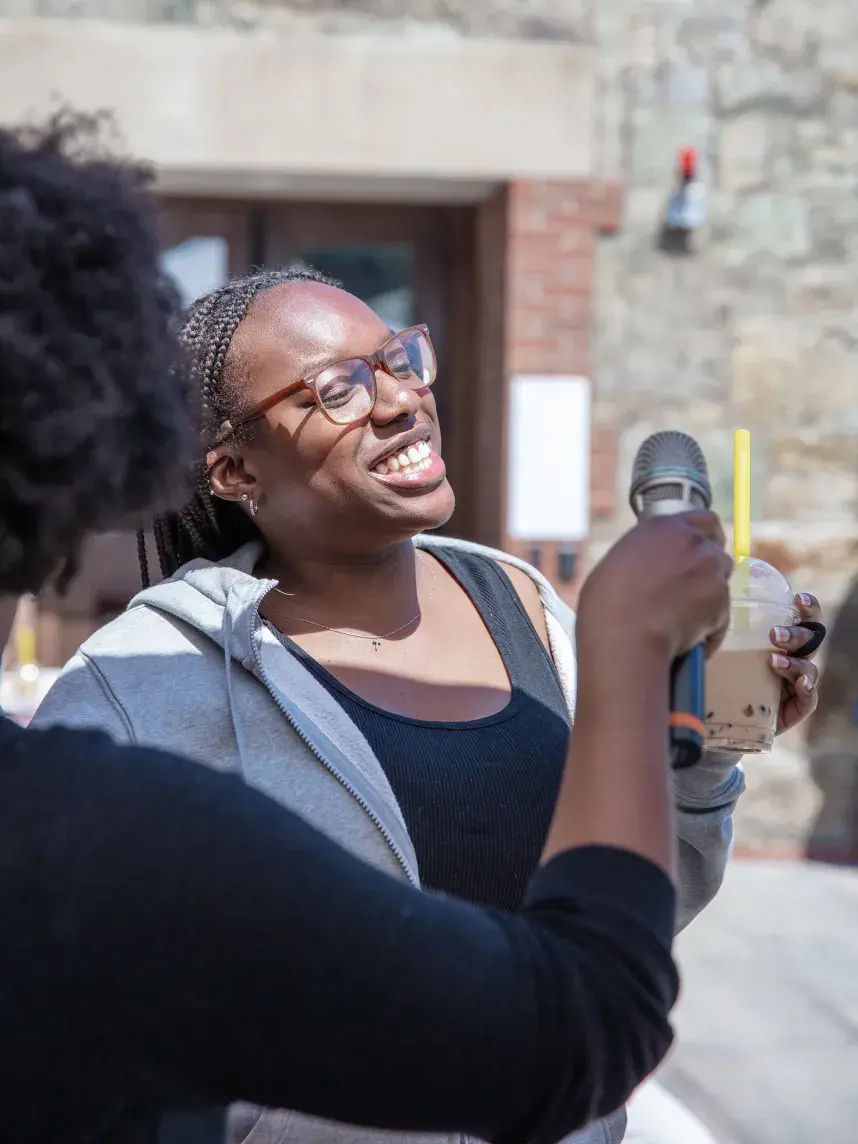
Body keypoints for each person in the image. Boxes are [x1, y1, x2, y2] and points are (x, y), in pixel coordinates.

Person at [0, 110, 727, 1144]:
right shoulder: (142, 680)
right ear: (235, 471)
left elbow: (618, 914)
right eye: (338, 387)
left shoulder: (523, 603)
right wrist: (625, 648)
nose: (399, 400)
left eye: (397, 357)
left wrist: (693, 754)